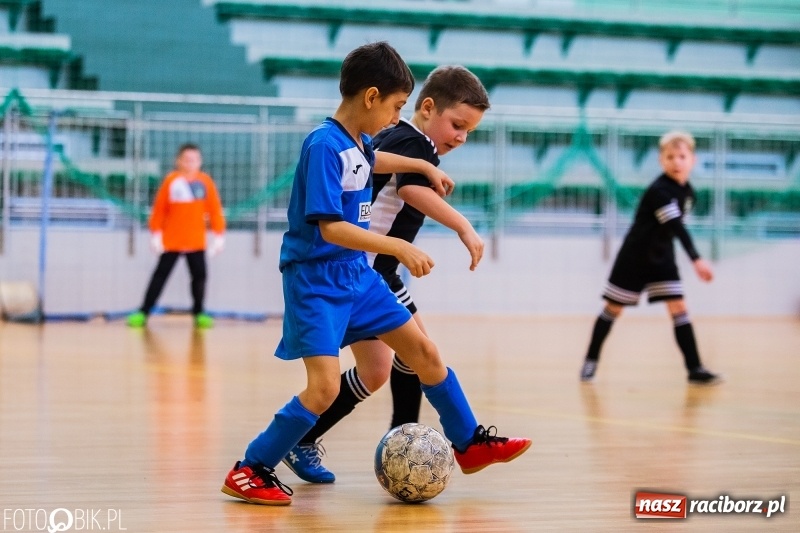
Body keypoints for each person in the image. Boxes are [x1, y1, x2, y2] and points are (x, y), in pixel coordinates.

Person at [221, 42, 530, 506]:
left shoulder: (358, 141)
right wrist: (397, 246)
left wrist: (422, 163)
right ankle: (250, 467)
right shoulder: (323, 144)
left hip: (357, 279)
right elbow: (331, 226)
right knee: (323, 387)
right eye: (395, 106)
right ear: (370, 97)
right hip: (317, 281)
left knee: (423, 353)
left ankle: (467, 444)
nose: (395, 117)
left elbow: (375, 161)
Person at [282, 65, 490, 484]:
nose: (460, 138)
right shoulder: (415, 141)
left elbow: (378, 165)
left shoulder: (401, 143)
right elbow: (411, 190)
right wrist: (463, 226)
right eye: (457, 125)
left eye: (469, 131)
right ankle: (415, 437)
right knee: (419, 353)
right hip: (366, 269)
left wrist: (424, 169)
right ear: (426, 108)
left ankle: (316, 439)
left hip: (370, 267)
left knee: (380, 369)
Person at [579, 131, 720, 385]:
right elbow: (677, 227)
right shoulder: (660, 191)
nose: (676, 162)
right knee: (613, 309)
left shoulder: (688, 192)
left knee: (679, 307)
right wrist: (697, 259)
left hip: (662, 259)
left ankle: (695, 369)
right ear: (661, 160)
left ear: (692, 160)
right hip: (634, 258)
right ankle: (590, 361)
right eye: (670, 157)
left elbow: (672, 230)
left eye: (682, 156)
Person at [127, 143, 225, 329]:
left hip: (196, 241)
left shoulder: (205, 182)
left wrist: (219, 236)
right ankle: (143, 311)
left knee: (200, 276)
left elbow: (215, 210)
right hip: (172, 241)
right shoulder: (171, 181)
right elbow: (159, 210)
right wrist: (156, 233)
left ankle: (199, 312)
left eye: (194, 159)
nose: (190, 163)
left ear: (200, 161)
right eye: (186, 159)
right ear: (178, 161)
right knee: (159, 276)